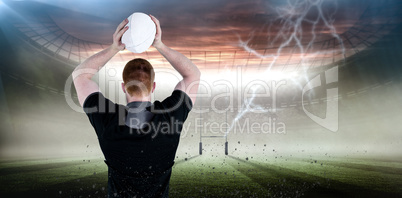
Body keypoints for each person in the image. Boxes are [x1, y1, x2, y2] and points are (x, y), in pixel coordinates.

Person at [72, 15, 201, 198]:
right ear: (153, 86)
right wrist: (160, 44)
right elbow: (193, 75)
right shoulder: (170, 117)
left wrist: (114, 48)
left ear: (123, 87)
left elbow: (80, 76)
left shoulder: (108, 120)